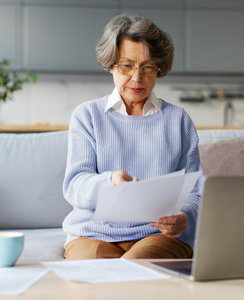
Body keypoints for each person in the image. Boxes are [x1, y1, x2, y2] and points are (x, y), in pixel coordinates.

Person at [62, 14, 201, 259]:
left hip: (157, 235)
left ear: (159, 69)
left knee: (137, 268)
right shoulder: (88, 116)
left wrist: (184, 217)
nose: (137, 78)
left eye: (148, 67)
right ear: (111, 64)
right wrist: (110, 183)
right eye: (127, 66)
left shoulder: (178, 120)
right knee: (93, 271)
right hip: (93, 233)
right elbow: (74, 186)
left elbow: (197, 191)